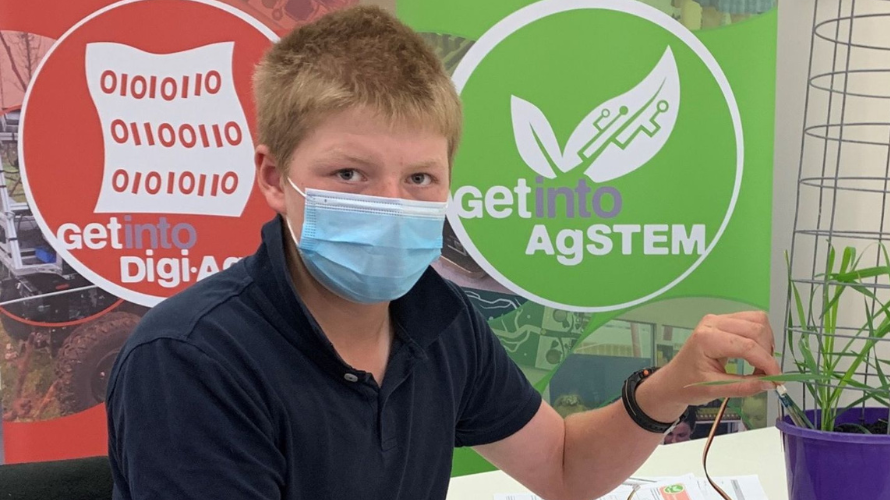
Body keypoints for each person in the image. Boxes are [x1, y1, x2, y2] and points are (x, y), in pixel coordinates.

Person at [104, 6, 779, 500]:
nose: (393, 202)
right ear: (274, 177)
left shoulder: (439, 321)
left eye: (420, 179)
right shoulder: (192, 362)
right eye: (350, 175)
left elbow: (565, 468)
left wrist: (673, 388)